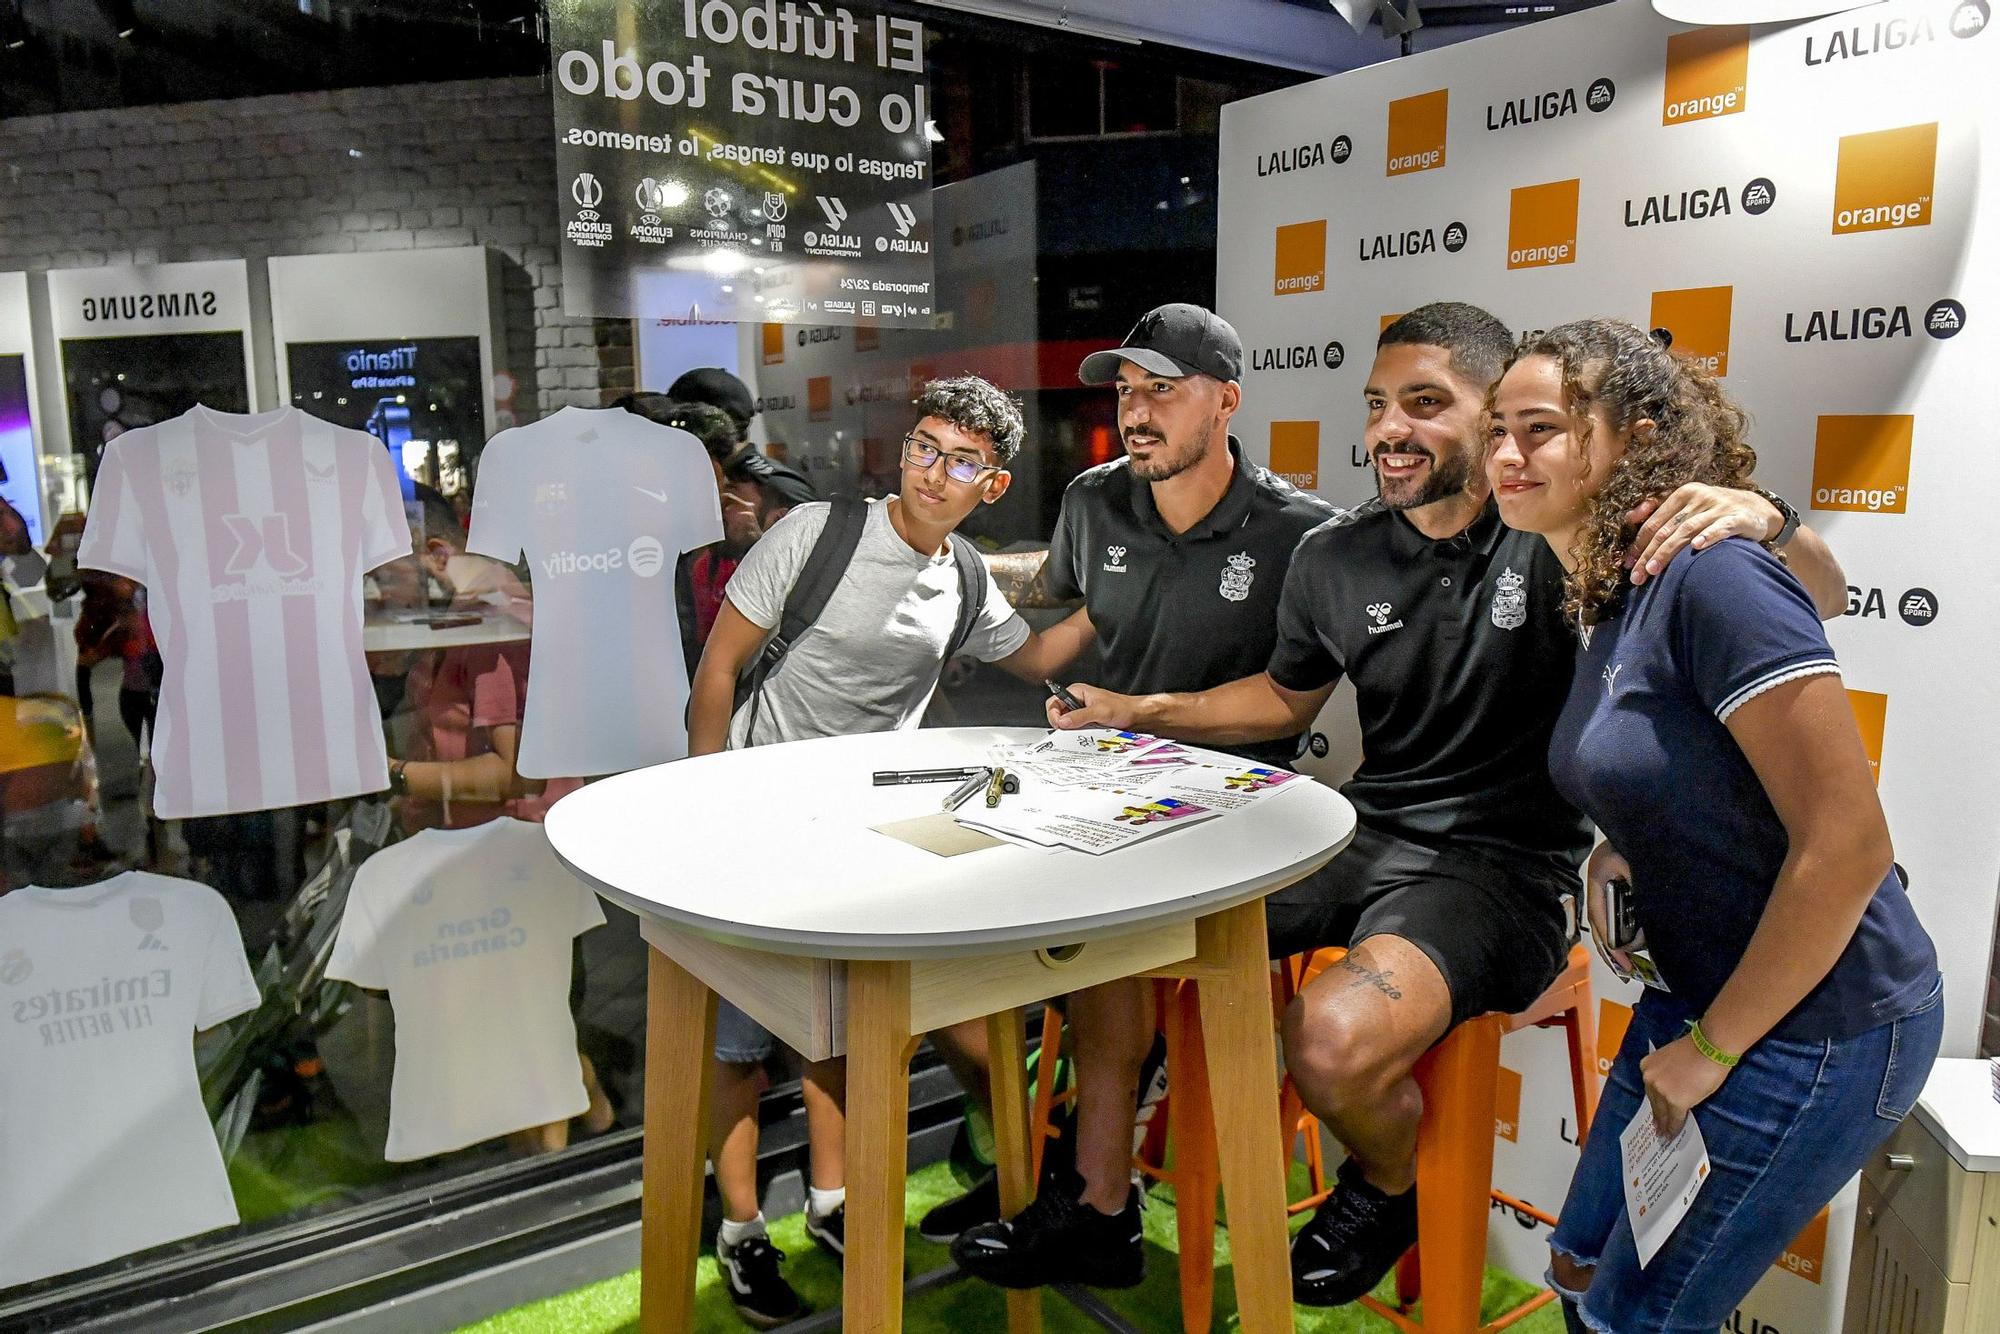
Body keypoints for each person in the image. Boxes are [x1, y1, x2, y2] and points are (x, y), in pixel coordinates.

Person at [1014, 303, 1847, 1306]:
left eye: (1425, 403)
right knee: (1127, 924)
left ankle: (1387, 1180)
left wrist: (1766, 518)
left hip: (1503, 867)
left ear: (1494, 418)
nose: (1387, 430)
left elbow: (1821, 594)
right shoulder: (1332, 554)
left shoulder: (1554, 529)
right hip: (1358, 832)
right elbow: (1284, 698)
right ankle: (1098, 1199)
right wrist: (1139, 706)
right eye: (1375, 405)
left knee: (1325, 1039)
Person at [1484, 317, 1940, 1332]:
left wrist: (1711, 1049)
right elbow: (1675, 758)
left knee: (1634, 1316)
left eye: (1541, 427)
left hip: (1817, 1022)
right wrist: (1630, 837)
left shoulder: (1708, 573)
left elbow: (1850, 846)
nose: (1505, 453)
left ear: (1634, 437)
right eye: (1497, 429)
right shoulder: (1611, 585)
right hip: (1698, 990)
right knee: (1578, 1265)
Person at [949, 303, 1339, 1287]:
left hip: (1239, 814)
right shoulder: (1091, 499)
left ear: (1225, 401)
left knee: (1097, 916)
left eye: (1161, 388)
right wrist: (941, 580)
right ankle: (1067, 1166)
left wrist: (1140, 709)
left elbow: (1285, 702)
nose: (1136, 409)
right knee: (968, 870)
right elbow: (1070, 615)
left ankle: (1094, 1191)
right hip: (1106, 787)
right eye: (1125, 389)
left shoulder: (1305, 533)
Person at [684, 374, 1083, 1328]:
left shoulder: (966, 576)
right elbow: (718, 669)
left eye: (962, 462)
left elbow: (1030, 658)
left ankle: (832, 1203)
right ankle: (740, 1232)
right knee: (738, 1047)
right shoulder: (817, 534)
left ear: (992, 483)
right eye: (923, 448)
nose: (933, 473)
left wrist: (1129, 591)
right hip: (753, 815)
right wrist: (701, 808)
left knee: (836, 1032)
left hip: (861, 840)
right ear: (903, 449)